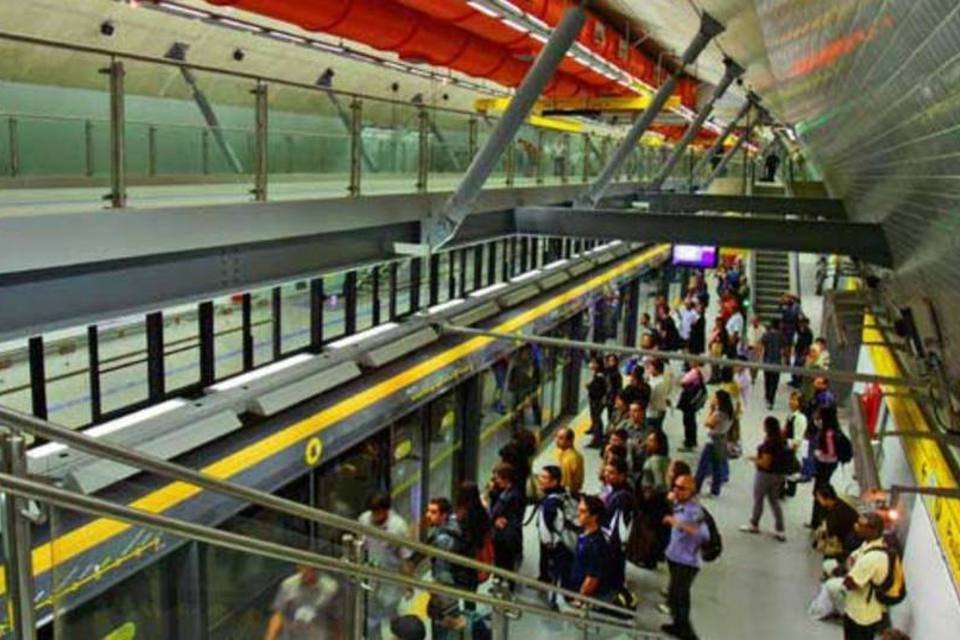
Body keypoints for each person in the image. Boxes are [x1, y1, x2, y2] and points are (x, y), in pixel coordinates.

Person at [659, 472, 710, 640]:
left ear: (691, 490)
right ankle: (678, 625)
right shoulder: (679, 504)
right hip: (675, 558)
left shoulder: (695, 511)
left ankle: (688, 634)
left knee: (680, 597)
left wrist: (677, 524)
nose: (676, 491)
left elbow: (701, 534)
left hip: (687, 562)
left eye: (681, 488)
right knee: (674, 596)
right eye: (675, 486)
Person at [358, 493, 415, 639]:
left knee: (392, 612)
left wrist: (409, 585)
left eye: (377, 513)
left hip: (392, 579)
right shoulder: (364, 519)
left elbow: (407, 559)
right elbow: (361, 544)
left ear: (385, 511)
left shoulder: (398, 527)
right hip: (371, 575)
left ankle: (398, 635)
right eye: (373, 512)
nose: (374, 517)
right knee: (372, 617)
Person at [842, 513, 890, 639]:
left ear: (872, 530)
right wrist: (852, 567)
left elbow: (849, 583)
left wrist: (851, 568)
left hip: (861, 615)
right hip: (863, 609)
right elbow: (851, 558)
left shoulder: (872, 558)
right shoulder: (873, 544)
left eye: (860, 525)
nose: (855, 526)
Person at [739, 417, 788, 541]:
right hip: (779, 475)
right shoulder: (782, 440)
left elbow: (766, 463)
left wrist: (754, 459)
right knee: (774, 501)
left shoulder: (769, 443)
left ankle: (754, 523)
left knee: (758, 499)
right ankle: (780, 528)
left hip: (765, 475)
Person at [265, 566, 342, 640]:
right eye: (302, 568)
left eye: (309, 569)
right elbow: (278, 615)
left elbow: (335, 620)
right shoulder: (288, 585)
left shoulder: (330, 588)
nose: (304, 572)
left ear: (316, 570)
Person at [535, 465, 574, 606]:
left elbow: (545, 529)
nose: (540, 480)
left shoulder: (550, 503)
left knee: (556, 573)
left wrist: (548, 544)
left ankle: (555, 601)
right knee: (563, 571)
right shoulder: (564, 494)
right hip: (565, 541)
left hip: (556, 544)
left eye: (544, 477)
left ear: (554, 482)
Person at [570, 495, 616, 605]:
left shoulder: (597, 545)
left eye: (583, 511)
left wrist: (579, 600)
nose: (578, 515)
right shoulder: (583, 532)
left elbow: (592, 578)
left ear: (594, 516)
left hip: (586, 597)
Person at [601, 456, 634, 593]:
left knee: (614, 565)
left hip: (614, 539)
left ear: (622, 476)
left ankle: (615, 590)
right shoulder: (617, 490)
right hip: (616, 540)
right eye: (606, 471)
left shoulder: (621, 497)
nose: (607, 475)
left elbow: (615, 523)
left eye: (611, 473)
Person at [694, 390, 734, 497]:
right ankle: (715, 490)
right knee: (717, 465)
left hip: (713, 441)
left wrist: (711, 410)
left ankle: (696, 487)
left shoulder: (719, 413)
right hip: (722, 440)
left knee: (703, 466)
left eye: (715, 397)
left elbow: (708, 423)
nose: (713, 399)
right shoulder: (729, 413)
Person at [455, 481, 492, 593]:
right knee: (471, 586)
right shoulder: (482, 512)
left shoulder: (462, 515)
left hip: (466, 553)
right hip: (479, 553)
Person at [488, 463, 525, 576]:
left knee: (504, 563)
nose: (496, 481)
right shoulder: (512, 492)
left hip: (505, 538)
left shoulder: (508, 497)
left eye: (498, 478)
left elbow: (494, 513)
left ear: (506, 479)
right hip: (509, 536)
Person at [809, 406, 840, 529]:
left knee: (819, 492)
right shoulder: (829, 429)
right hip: (826, 465)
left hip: (825, 466)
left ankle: (817, 521)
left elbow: (831, 453)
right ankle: (816, 520)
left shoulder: (828, 433)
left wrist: (818, 453)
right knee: (818, 491)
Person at [813, 484, 860, 561]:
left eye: (819, 497)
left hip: (848, 540)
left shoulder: (838, 512)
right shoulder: (835, 504)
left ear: (827, 498)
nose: (817, 499)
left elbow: (831, 531)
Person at [677, 363, 706, 451]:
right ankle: (692, 441)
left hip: (689, 402)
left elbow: (682, 382)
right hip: (692, 402)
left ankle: (689, 442)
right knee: (691, 421)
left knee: (688, 422)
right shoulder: (699, 372)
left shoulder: (694, 372)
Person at [759, 318, 784, 410]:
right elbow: (784, 349)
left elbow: (761, 345)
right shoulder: (781, 336)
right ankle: (771, 399)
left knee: (768, 380)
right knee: (774, 381)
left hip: (767, 360)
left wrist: (759, 357)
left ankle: (767, 396)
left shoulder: (766, 335)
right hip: (777, 361)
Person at [585, 357, 608, 448]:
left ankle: (597, 440)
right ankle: (596, 435)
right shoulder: (598, 375)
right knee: (595, 419)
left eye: (594, 363)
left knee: (596, 419)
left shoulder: (600, 376)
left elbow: (597, 390)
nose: (592, 364)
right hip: (595, 400)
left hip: (597, 401)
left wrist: (589, 386)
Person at [554, 427, 584, 495]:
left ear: (570, 441)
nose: (556, 440)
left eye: (561, 438)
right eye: (556, 437)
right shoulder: (576, 454)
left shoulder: (568, 459)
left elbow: (565, 484)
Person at [646, 359, 671, 431]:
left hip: (654, 412)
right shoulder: (663, 379)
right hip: (661, 408)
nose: (649, 369)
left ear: (656, 370)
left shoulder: (656, 384)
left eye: (651, 367)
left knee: (654, 430)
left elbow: (650, 397)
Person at [791, 316, 814, 387]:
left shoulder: (808, 333)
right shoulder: (801, 331)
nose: (800, 324)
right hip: (799, 350)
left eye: (802, 323)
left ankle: (798, 382)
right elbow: (795, 325)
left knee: (800, 366)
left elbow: (808, 344)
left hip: (803, 352)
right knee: (796, 366)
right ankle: (794, 380)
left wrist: (804, 354)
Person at [604, 354, 623, 423]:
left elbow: (619, 387)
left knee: (611, 414)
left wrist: (617, 398)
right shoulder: (606, 371)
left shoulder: (616, 374)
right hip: (605, 395)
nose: (611, 362)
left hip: (612, 397)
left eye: (613, 360)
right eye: (609, 360)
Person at [746, 316, 764, 384]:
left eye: (755, 321)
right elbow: (748, 339)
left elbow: (762, 340)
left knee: (756, 364)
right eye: (753, 321)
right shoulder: (750, 328)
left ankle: (754, 376)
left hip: (758, 349)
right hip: (751, 348)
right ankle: (751, 376)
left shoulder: (762, 329)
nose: (754, 322)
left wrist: (759, 348)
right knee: (750, 363)